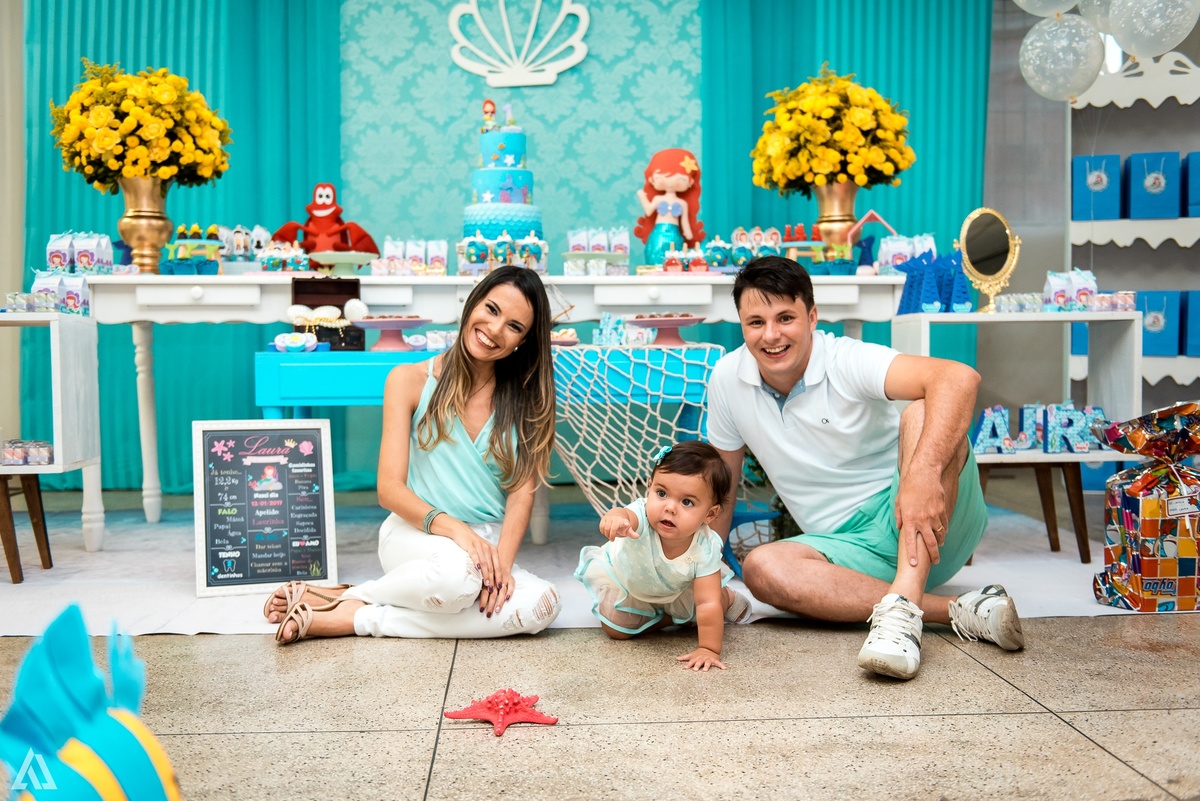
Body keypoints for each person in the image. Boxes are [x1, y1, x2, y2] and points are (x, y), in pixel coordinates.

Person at [706, 256, 1024, 680]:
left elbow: (958, 378)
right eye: (755, 322)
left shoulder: (845, 359)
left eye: (786, 317)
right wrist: (697, 572)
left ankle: (903, 613)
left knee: (921, 411)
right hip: (846, 551)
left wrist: (922, 476)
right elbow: (721, 489)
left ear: (812, 316)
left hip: (925, 514)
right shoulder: (727, 378)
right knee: (761, 567)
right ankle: (954, 610)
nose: (772, 335)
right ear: (741, 325)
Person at [264, 266, 562, 643]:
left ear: (523, 341)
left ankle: (355, 609)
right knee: (457, 582)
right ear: (472, 304)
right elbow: (389, 489)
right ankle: (356, 602)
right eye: (491, 309)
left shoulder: (524, 397)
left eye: (515, 326)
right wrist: (458, 532)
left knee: (543, 604)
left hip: (484, 544)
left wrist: (501, 565)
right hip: (414, 532)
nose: (495, 329)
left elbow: (521, 493)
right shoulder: (407, 380)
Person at [575, 441, 751, 672]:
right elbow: (626, 514)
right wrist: (615, 517)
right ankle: (675, 618)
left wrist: (708, 649)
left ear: (710, 514)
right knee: (615, 630)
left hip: (678, 589)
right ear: (649, 488)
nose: (669, 507)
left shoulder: (704, 547)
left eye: (687, 502)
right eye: (661, 493)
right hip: (633, 584)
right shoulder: (641, 515)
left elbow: (706, 602)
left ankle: (725, 598)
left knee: (710, 603)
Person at [634, 148, 704, 268]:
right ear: (652, 179)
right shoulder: (658, 200)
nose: (671, 182)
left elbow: (685, 222)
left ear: (691, 182)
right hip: (658, 233)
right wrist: (642, 196)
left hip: (675, 234)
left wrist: (688, 233)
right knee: (656, 255)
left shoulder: (682, 203)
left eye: (680, 178)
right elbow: (649, 211)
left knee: (675, 258)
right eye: (661, 177)